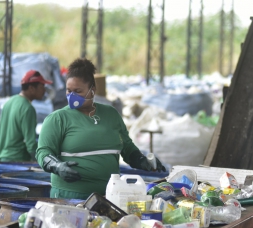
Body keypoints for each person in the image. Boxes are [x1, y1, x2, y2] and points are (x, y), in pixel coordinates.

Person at [36, 58, 165, 200]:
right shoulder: (58, 119)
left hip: (109, 197)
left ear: (92, 91)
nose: (71, 96)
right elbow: (43, 152)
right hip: (69, 197)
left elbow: (127, 148)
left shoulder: (111, 114)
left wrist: (143, 161)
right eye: (68, 91)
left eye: (78, 91)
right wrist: (57, 166)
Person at [0, 70, 52, 161]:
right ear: (31, 88)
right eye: (42, 86)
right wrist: (43, 162)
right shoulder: (27, 108)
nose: (44, 90)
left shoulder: (8, 102)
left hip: (2, 158)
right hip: (18, 161)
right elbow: (30, 144)